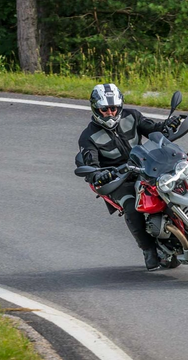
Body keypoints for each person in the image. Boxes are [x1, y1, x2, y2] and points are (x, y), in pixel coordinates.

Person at [77, 83, 180, 270]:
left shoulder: (132, 116)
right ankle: (148, 250)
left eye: (113, 108)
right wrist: (98, 174)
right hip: (118, 179)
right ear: (95, 108)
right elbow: (89, 163)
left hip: (145, 166)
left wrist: (168, 125)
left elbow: (154, 129)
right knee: (132, 206)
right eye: (105, 109)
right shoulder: (88, 137)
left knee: (179, 179)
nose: (110, 112)